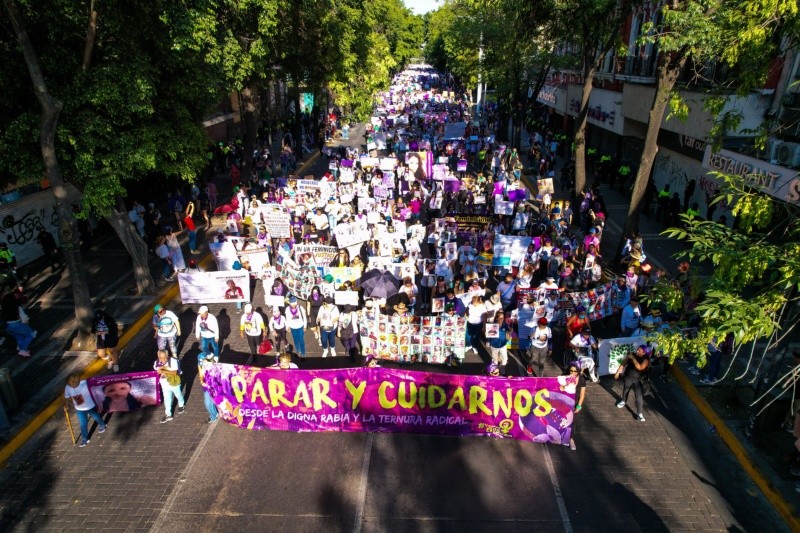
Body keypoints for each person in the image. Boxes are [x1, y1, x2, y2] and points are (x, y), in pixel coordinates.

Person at [64, 372, 106, 447]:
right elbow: (67, 397)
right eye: (71, 385)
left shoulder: (86, 384)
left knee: (96, 416)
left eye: (74, 384)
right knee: (83, 423)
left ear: (78, 381)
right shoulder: (67, 387)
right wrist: (66, 405)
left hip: (90, 406)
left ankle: (102, 424)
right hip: (79, 408)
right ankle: (85, 438)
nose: (73, 386)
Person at [615, 344, 650, 422]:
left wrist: (633, 358)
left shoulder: (645, 359)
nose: (637, 351)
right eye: (637, 349)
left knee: (639, 397)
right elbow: (624, 363)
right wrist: (618, 372)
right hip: (628, 377)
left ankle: (639, 413)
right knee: (626, 390)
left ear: (644, 353)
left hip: (638, 380)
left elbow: (640, 367)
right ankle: (623, 401)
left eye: (639, 350)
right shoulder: (632, 355)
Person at [1, 285, 36, 357]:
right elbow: (21, 316)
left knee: (19, 337)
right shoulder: (15, 304)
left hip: (8, 325)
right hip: (15, 324)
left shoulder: (6, 300)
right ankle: (23, 350)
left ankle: (23, 351)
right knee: (31, 334)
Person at [154, 349, 185, 423]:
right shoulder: (156, 363)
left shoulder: (173, 361)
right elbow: (156, 371)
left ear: (167, 356)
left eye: (164, 357)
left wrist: (163, 371)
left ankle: (181, 404)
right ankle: (168, 414)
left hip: (174, 382)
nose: (162, 360)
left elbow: (174, 372)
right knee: (167, 399)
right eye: (160, 358)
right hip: (164, 384)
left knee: (178, 395)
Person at [562, 362, 586, 451]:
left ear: (578, 371)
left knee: (572, 421)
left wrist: (579, 406)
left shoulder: (582, 380)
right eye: (571, 371)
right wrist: (566, 384)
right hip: (564, 402)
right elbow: (560, 388)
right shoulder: (564, 377)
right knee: (561, 419)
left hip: (574, 404)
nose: (572, 373)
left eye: (575, 371)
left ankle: (571, 439)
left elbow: (582, 394)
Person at [486, 311, 510, 376]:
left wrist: (510, 332)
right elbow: (488, 335)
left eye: (503, 318)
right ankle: (495, 372)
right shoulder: (493, 325)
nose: (501, 320)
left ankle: (502, 369)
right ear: (496, 318)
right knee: (495, 360)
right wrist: (487, 334)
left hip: (503, 345)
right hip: (494, 345)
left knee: (505, 358)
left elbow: (507, 332)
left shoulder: (505, 324)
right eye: (500, 318)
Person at [197, 351, 219, 423]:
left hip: (213, 385)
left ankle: (213, 416)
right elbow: (201, 374)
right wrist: (201, 381)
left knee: (209, 402)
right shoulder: (200, 364)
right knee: (208, 403)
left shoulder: (213, 364)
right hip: (206, 386)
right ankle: (214, 414)